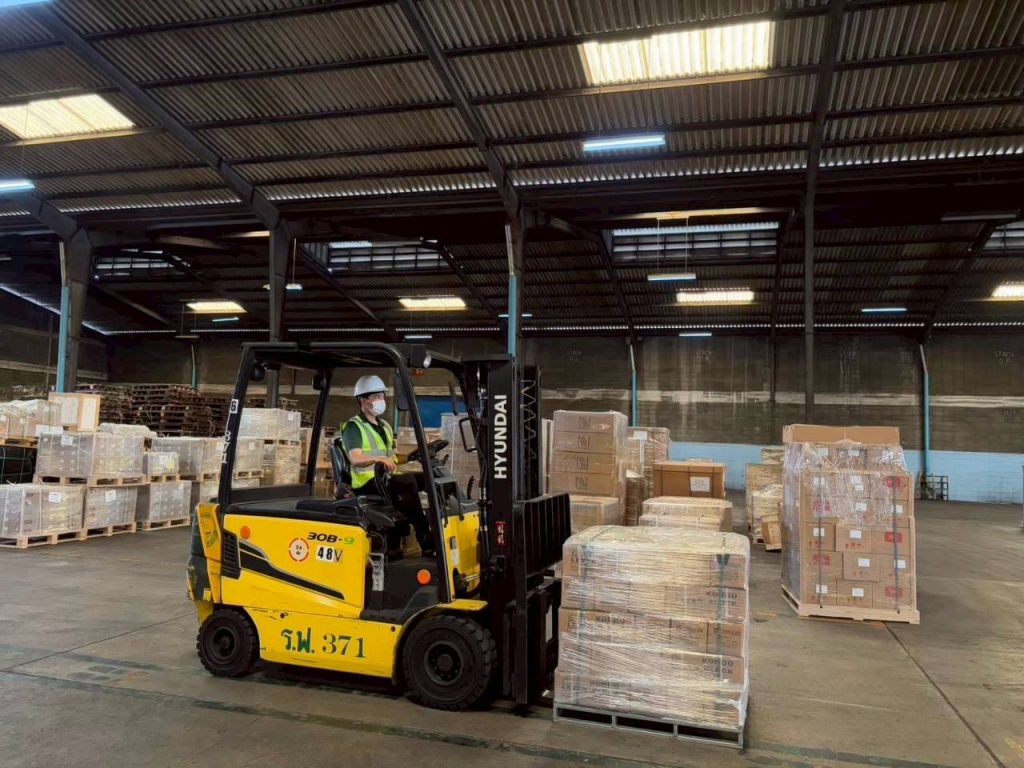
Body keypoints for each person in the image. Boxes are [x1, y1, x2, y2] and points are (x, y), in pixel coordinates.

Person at [341, 374, 434, 556]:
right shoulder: (354, 427)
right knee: (406, 482)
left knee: (426, 479)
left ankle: (432, 526)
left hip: (385, 479)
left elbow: (392, 457)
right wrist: (379, 459)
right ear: (362, 400)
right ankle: (425, 537)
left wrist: (417, 455)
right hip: (366, 482)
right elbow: (356, 458)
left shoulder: (384, 426)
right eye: (376, 396)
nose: (381, 400)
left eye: (382, 396)